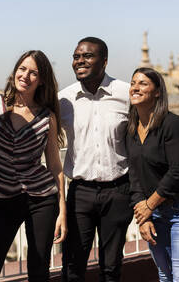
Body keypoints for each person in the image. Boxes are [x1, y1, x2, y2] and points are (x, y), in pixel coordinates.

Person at [0, 50, 67, 281]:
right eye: (22, 69)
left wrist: (62, 210)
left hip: (41, 199)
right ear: (14, 73)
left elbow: (54, 165)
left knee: (39, 270)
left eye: (34, 73)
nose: (26, 76)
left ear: (41, 80)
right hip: (2, 198)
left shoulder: (46, 117)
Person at [59, 37, 133, 282]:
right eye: (76, 56)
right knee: (72, 266)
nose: (80, 61)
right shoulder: (63, 99)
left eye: (87, 56)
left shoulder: (125, 93)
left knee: (111, 268)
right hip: (81, 193)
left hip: (119, 191)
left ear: (104, 61)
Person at [126, 67, 179, 282]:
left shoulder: (172, 123)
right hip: (154, 214)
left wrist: (149, 205)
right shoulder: (131, 128)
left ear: (157, 92)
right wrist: (143, 216)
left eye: (143, 83)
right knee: (165, 275)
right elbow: (133, 176)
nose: (135, 87)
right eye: (133, 83)